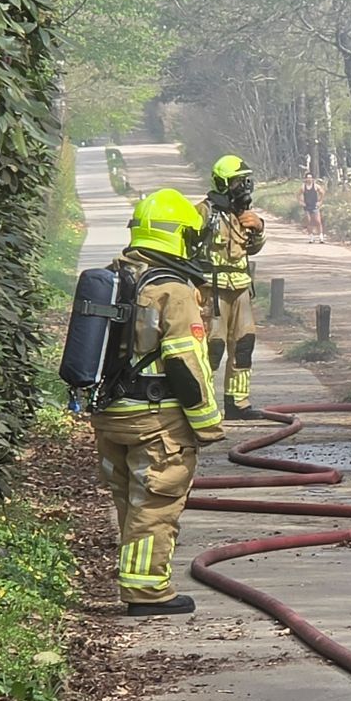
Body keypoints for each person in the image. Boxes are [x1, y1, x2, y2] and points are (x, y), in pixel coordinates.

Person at [94, 189, 225, 616]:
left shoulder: (117, 277)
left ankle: (138, 583)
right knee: (155, 505)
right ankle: (147, 593)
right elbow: (186, 364)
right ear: (178, 235)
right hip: (157, 420)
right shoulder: (173, 290)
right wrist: (207, 424)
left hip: (111, 415)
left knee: (130, 503)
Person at [196, 155, 266, 421]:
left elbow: (253, 248)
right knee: (212, 348)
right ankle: (205, 403)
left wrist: (258, 228)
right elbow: (189, 247)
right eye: (238, 182)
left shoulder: (244, 214)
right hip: (212, 290)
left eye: (245, 181)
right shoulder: (204, 212)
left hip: (241, 289)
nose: (244, 187)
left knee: (244, 344)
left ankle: (238, 403)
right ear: (223, 183)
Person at [301, 174, 326, 243]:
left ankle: (321, 237)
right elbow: (297, 194)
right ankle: (311, 237)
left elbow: (322, 193)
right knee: (309, 221)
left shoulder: (315, 186)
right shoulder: (303, 187)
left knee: (318, 221)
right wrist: (301, 202)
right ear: (305, 179)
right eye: (308, 178)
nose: (309, 179)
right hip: (307, 206)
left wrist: (320, 201)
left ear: (312, 179)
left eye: (310, 178)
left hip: (314, 206)